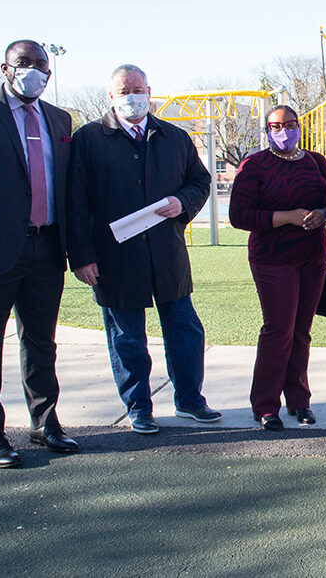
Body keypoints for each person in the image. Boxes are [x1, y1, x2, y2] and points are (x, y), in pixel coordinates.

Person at [68, 64, 220, 435]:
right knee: (127, 338)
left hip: (166, 253)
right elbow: (74, 202)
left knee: (185, 330)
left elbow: (200, 181)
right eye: (124, 90)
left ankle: (189, 399)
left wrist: (181, 201)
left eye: (137, 88)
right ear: (111, 97)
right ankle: (139, 407)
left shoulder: (174, 137)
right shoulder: (88, 139)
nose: (131, 96)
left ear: (150, 91)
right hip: (114, 258)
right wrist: (82, 256)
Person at [0, 40, 79, 467]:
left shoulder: (58, 118)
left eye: (41, 65)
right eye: (25, 63)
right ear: (5, 67)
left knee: (40, 343)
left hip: (47, 247)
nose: (34, 71)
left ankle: (45, 423)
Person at [229, 105, 326, 431]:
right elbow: (239, 215)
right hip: (273, 259)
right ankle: (265, 404)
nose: (283, 131)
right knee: (278, 331)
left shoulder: (315, 161)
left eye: (289, 125)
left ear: (298, 126)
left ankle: (299, 400)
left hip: (312, 256)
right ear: (267, 130)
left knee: (301, 331)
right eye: (275, 126)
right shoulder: (255, 164)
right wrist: (286, 217)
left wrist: (323, 212)